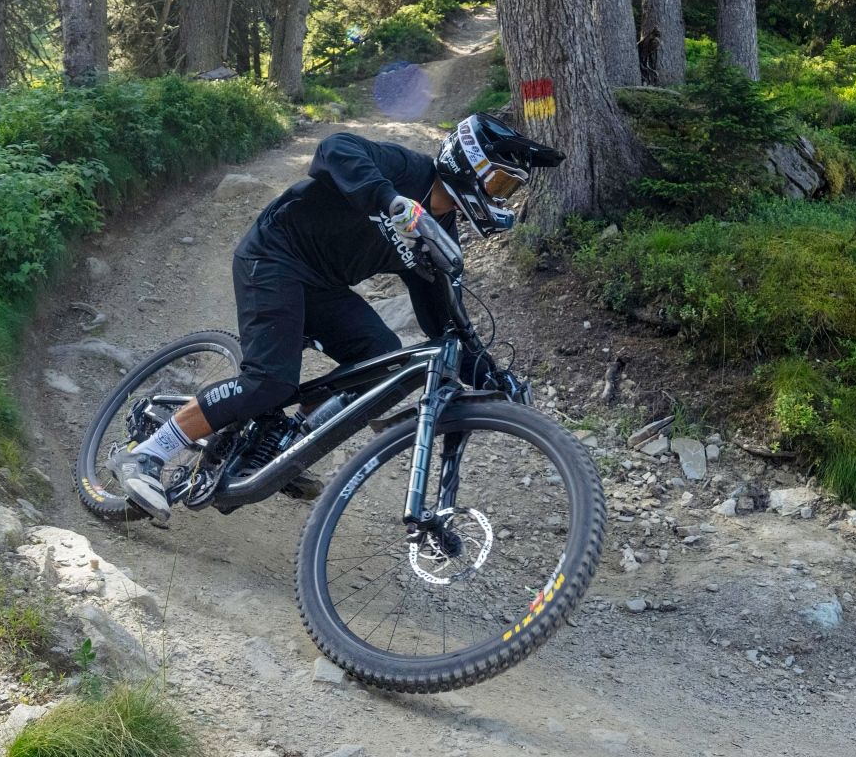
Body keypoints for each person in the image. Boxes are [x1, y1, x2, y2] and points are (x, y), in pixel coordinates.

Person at [109, 113, 562, 523]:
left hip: (324, 285)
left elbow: (444, 323)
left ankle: (282, 445)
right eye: (501, 183)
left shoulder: (438, 236)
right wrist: (390, 200)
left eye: (509, 189)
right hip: (274, 256)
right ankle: (149, 454)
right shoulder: (408, 170)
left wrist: (492, 377)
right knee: (269, 381)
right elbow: (334, 150)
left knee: (384, 359)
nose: (502, 196)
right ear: (469, 163)